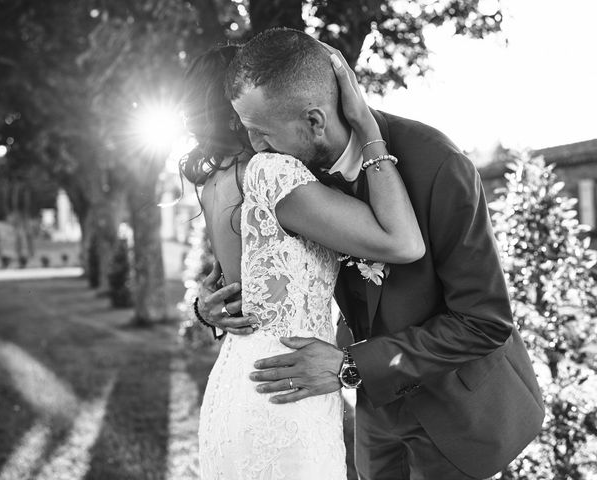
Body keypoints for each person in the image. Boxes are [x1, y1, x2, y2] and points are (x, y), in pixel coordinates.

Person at [196, 28, 545, 480]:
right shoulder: (294, 172)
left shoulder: (438, 165)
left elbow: (484, 321)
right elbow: (266, 264)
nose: (255, 149)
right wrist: (209, 306)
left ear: (315, 121)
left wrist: (349, 366)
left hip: (458, 412)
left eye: (261, 133)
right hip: (377, 418)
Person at [181, 44, 425, 480]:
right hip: (288, 387)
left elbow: (229, 284)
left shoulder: (212, 181)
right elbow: (402, 242)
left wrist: (203, 308)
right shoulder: (271, 173)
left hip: (233, 384)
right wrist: (368, 129)